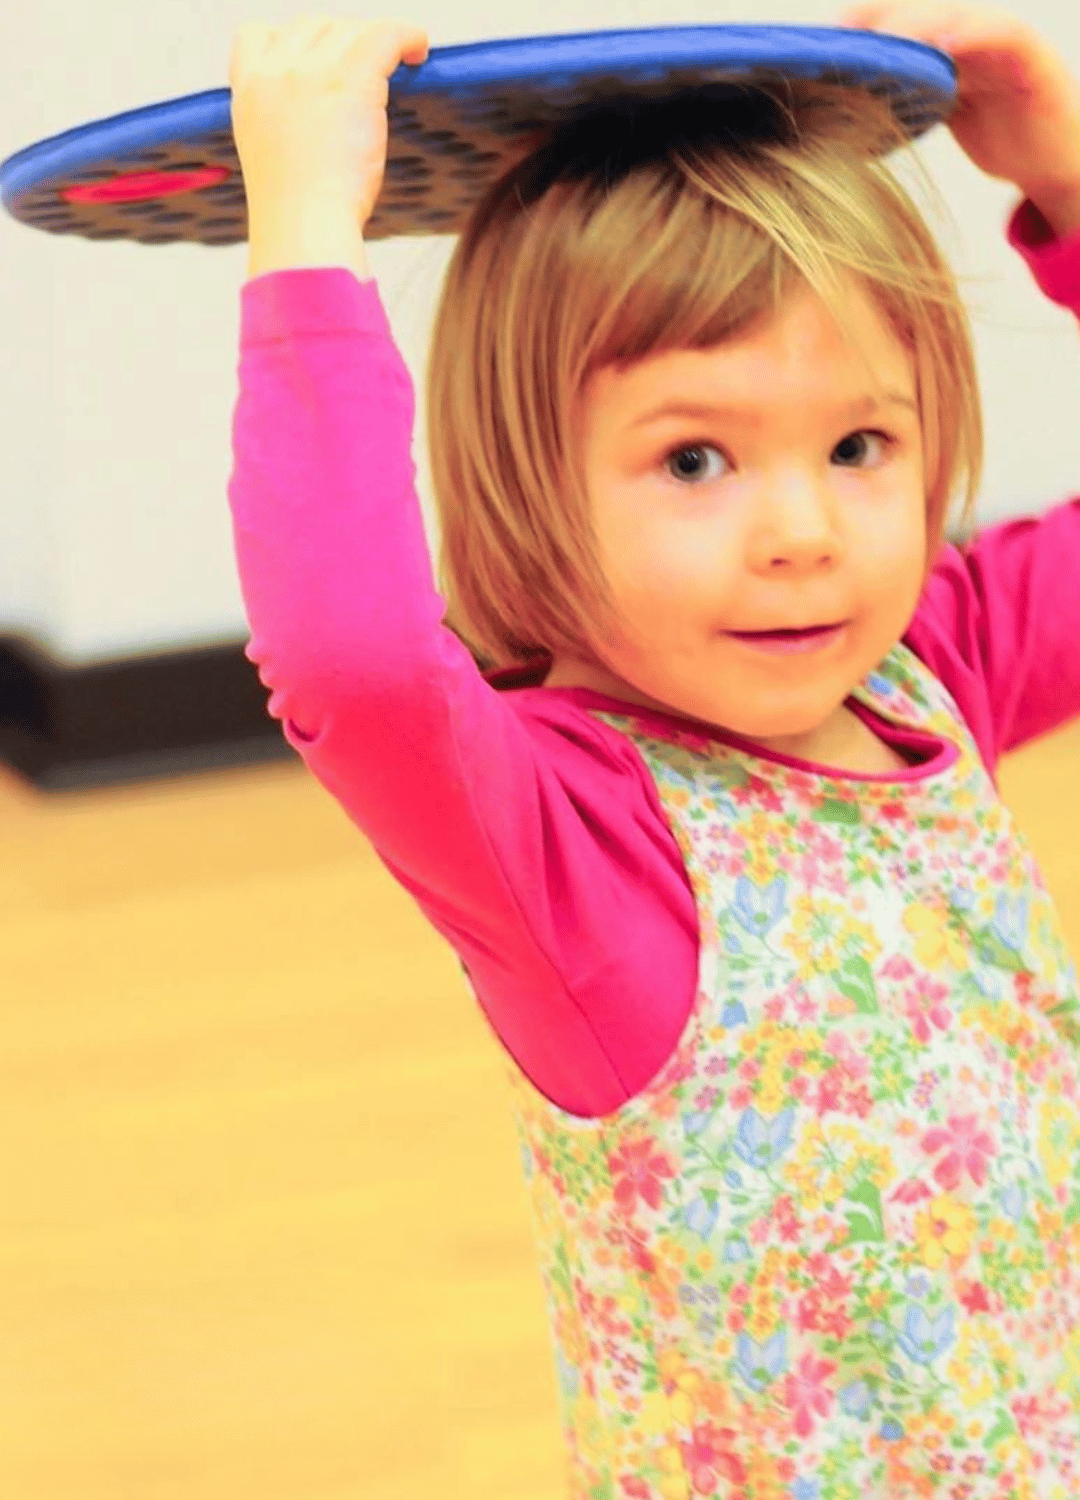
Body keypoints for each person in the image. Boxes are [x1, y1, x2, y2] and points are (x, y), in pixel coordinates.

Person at [226, 5, 1080, 1493]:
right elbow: (352, 663)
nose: (803, 535)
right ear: (524, 479)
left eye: (859, 447)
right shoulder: (571, 836)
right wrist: (305, 228)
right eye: (696, 460)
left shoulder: (925, 670)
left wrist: (1069, 182)